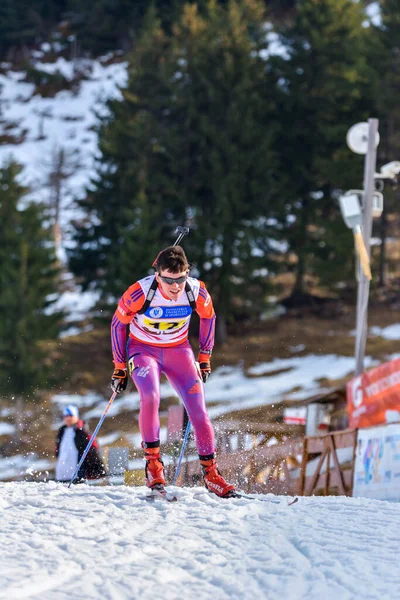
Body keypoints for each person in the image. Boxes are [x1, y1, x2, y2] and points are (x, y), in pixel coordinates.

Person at [110, 245, 235, 497]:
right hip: (143, 351)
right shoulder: (139, 292)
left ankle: (211, 475)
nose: (175, 286)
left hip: (179, 351)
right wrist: (119, 367)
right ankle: (154, 466)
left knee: (198, 409)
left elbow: (209, 317)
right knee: (151, 397)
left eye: (180, 279)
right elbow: (117, 324)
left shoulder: (196, 290)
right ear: (158, 275)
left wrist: (205, 357)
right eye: (168, 280)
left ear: (187, 273)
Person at [55, 405, 106, 483]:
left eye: (70, 416)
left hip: (77, 472)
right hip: (61, 472)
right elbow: (58, 448)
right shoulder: (62, 431)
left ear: (76, 416)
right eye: (66, 416)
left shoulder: (81, 430)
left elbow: (93, 447)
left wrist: (94, 467)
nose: (68, 418)